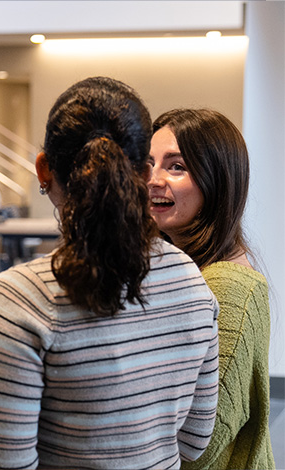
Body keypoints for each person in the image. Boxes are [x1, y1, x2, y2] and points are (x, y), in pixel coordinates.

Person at [0, 77, 220, 469]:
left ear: (43, 169)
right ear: (145, 172)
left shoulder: (16, 299)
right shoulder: (193, 282)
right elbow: (194, 442)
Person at [148, 109, 275, 470]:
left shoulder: (228, 286)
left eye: (176, 166)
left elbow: (200, 444)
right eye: (148, 163)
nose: (153, 179)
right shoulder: (181, 270)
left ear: (217, 180)